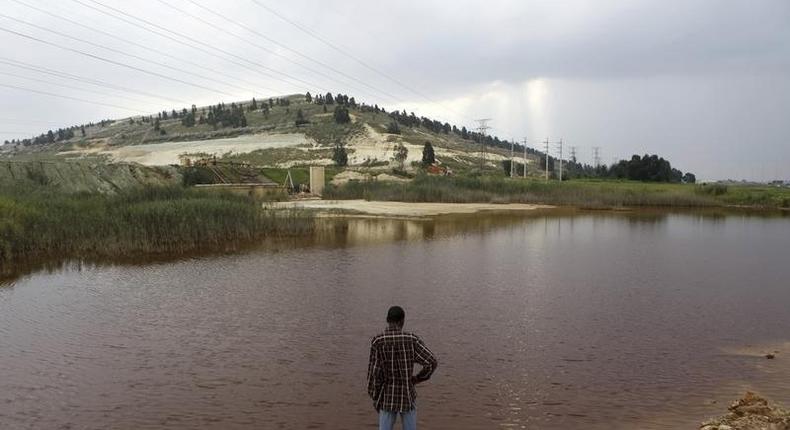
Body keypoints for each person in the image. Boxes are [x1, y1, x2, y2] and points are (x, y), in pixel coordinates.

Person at [367, 306, 438, 430]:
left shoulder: (378, 341)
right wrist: (417, 378)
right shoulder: (412, 339)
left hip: (387, 395)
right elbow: (431, 362)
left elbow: (374, 374)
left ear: (387, 320)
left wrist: (374, 395)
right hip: (407, 394)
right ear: (402, 321)